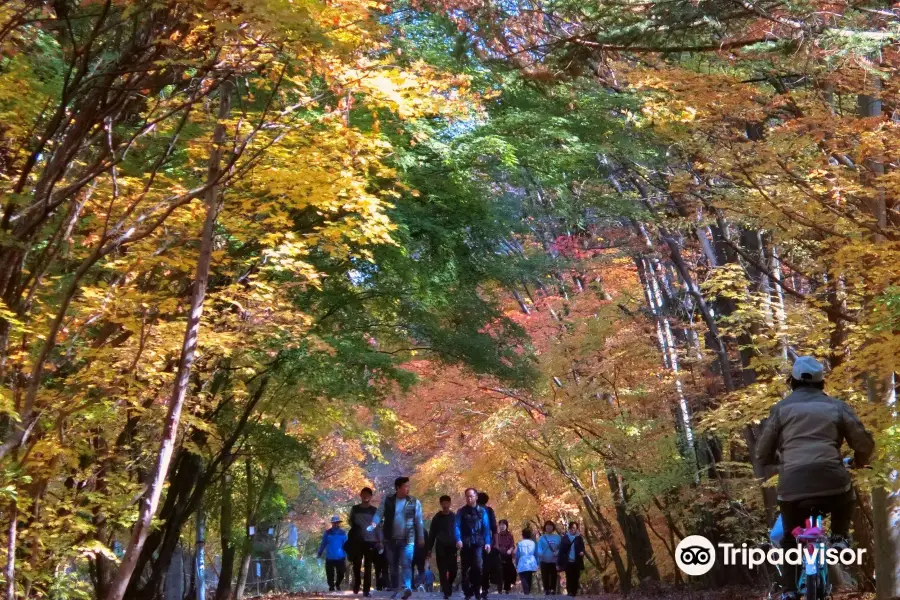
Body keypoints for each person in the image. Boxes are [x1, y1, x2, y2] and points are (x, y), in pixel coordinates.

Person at [756, 355, 875, 600]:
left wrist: (781, 462)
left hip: (792, 488)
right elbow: (863, 443)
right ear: (822, 383)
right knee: (846, 494)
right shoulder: (837, 407)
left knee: (789, 537)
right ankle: (840, 537)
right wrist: (860, 462)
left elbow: (761, 452)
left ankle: (789, 591)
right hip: (832, 482)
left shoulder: (780, 410)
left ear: (793, 382)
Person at [371, 477, 425, 600]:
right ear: (398, 488)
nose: (408, 488)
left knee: (406, 563)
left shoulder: (414, 502)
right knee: (393, 566)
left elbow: (419, 521)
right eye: (405, 486)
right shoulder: (388, 500)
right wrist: (374, 523)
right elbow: (379, 513)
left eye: (408, 486)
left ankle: (407, 588)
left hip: (408, 539)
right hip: (390, 539)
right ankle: (396, 590)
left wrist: (421, 537)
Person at [456, 488, 493, 600]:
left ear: (476, 497)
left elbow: (486, 528)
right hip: (465, 542)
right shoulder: (461, 512)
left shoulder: (482, 512)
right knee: (465, 568)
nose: (469, 498)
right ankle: (467, 592)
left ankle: (477, 590)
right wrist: (458, 539)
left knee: (477, 567)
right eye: (467, 496)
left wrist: (488, 543)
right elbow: (456, 526)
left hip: (478, 543)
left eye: (471, 496)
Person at [348, 487, 379, 597]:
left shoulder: (374, 510)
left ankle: (366, 589)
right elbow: (350, 521)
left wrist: (379, 540)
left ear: (371, 497)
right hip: (357, 540)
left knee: (368, 565)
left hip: (370, 541)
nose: (365, 496)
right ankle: (357, 582)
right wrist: (358, 530)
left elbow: (377, 525)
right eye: (364, 494)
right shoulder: (355, 509)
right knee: (356, 564)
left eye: (368, 494)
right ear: (360, 495)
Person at [427, 495, 459, 600]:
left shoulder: (454, 517)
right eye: (443, 503)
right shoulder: (437, 518)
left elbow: (459, 531)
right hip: (441, 547)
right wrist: (429, 549)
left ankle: (449, 585)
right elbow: (432, 534)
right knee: (442, 570)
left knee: (453, 570)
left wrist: (459, 541)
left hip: (452, 547)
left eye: (447, 503)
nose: (445, 505)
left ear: (450, 504)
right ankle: (445, 591)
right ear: (441, 504)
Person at [318, 515, 349, 591]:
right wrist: (319, 553)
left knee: (341, 573)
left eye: (337, 522)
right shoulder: (327, 533)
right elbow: (323, 544)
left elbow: (346, 545)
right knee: (329, 574)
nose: (335, 524)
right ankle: (331, 586)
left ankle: (337, 584)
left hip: (340, 557)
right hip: (330, 557)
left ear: (339, 523)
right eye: (334, 523)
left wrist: (348, 555)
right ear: (332, 523)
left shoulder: (343, 533)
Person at [477, 492, 499, 599]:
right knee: (485, 566)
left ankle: (477, 587)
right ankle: (484, 589)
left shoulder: (472, 510)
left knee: (475, 565)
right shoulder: (490, 511)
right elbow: (494, 529)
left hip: (474, 542)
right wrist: (496, 544)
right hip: (487, 542)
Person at [556, 523, 585, 597]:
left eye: (574, 528)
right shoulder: (565, 538)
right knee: (569, 577)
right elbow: (561, 551)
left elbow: (582, 547)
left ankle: (574, 592)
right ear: (569, 528)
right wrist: (558, 563)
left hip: (576, 561)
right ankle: (570, 593)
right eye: (571, 527)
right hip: (568, 561)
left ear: (576, 529)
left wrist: (582, 552)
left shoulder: (579, 538)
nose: (573, 529)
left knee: (576, 577)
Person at [536, 521, 560, 595]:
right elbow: (539, 547)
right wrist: (540, 553)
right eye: (547, 525)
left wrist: (557, 552)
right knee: (545, 575)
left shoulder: (557, 537)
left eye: (550, 525)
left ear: (553, 527)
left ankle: (553, 589)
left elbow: (561, 548)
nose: (548, 527)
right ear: (545, 527)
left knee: (554, 575)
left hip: (554, 561)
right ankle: (546, 590)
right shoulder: (542, 538)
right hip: (544, 560)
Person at [495, 520, 516, 594]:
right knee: (499, 572)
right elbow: (495, 546)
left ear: (506, 526)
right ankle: (499, 588)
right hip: (499, 555)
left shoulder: (510, 535)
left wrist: (510, 550)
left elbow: (512, 545)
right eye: (500, 525)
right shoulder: (496, 535)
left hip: (508, 555)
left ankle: (507, 588)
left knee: (509, 571)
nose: (502, 526)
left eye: (503, 525)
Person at [516, 529, 538, 595]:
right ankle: (528, 591)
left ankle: (526, 592)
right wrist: (537, 563)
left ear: (523, 535)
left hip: (522, 561)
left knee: (523, 577)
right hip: (531, 561)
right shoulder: (533, 543)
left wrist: (516, 563)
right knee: (529, 577)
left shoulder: (520, 543)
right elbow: (536, 553)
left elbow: (518, 555)